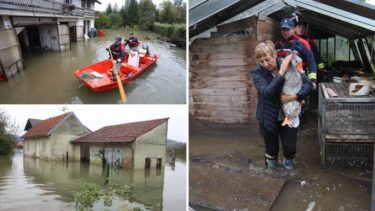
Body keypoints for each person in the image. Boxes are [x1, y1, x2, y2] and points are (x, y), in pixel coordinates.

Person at [251, 41, 313, 170]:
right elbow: (268, 93)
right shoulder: (257, 72)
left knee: (290, 148)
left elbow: (308, 85)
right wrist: (281, 72)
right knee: (272, 149)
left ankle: (289, 173)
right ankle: (271, 175)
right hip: (268, 116)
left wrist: (295, 97)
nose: (265, 64)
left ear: (274, 54)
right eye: (261, 61)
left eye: (267, 59)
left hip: (289, 115)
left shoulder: (290, 65)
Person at [275, 18, 317, 90]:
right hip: (282, 82)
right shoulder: (277, 45)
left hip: (299, 81)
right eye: (283, 29)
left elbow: (311, 63)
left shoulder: (303, 43)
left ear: (293, 29)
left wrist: (312, 81)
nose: (285, 32)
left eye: (288, 29)